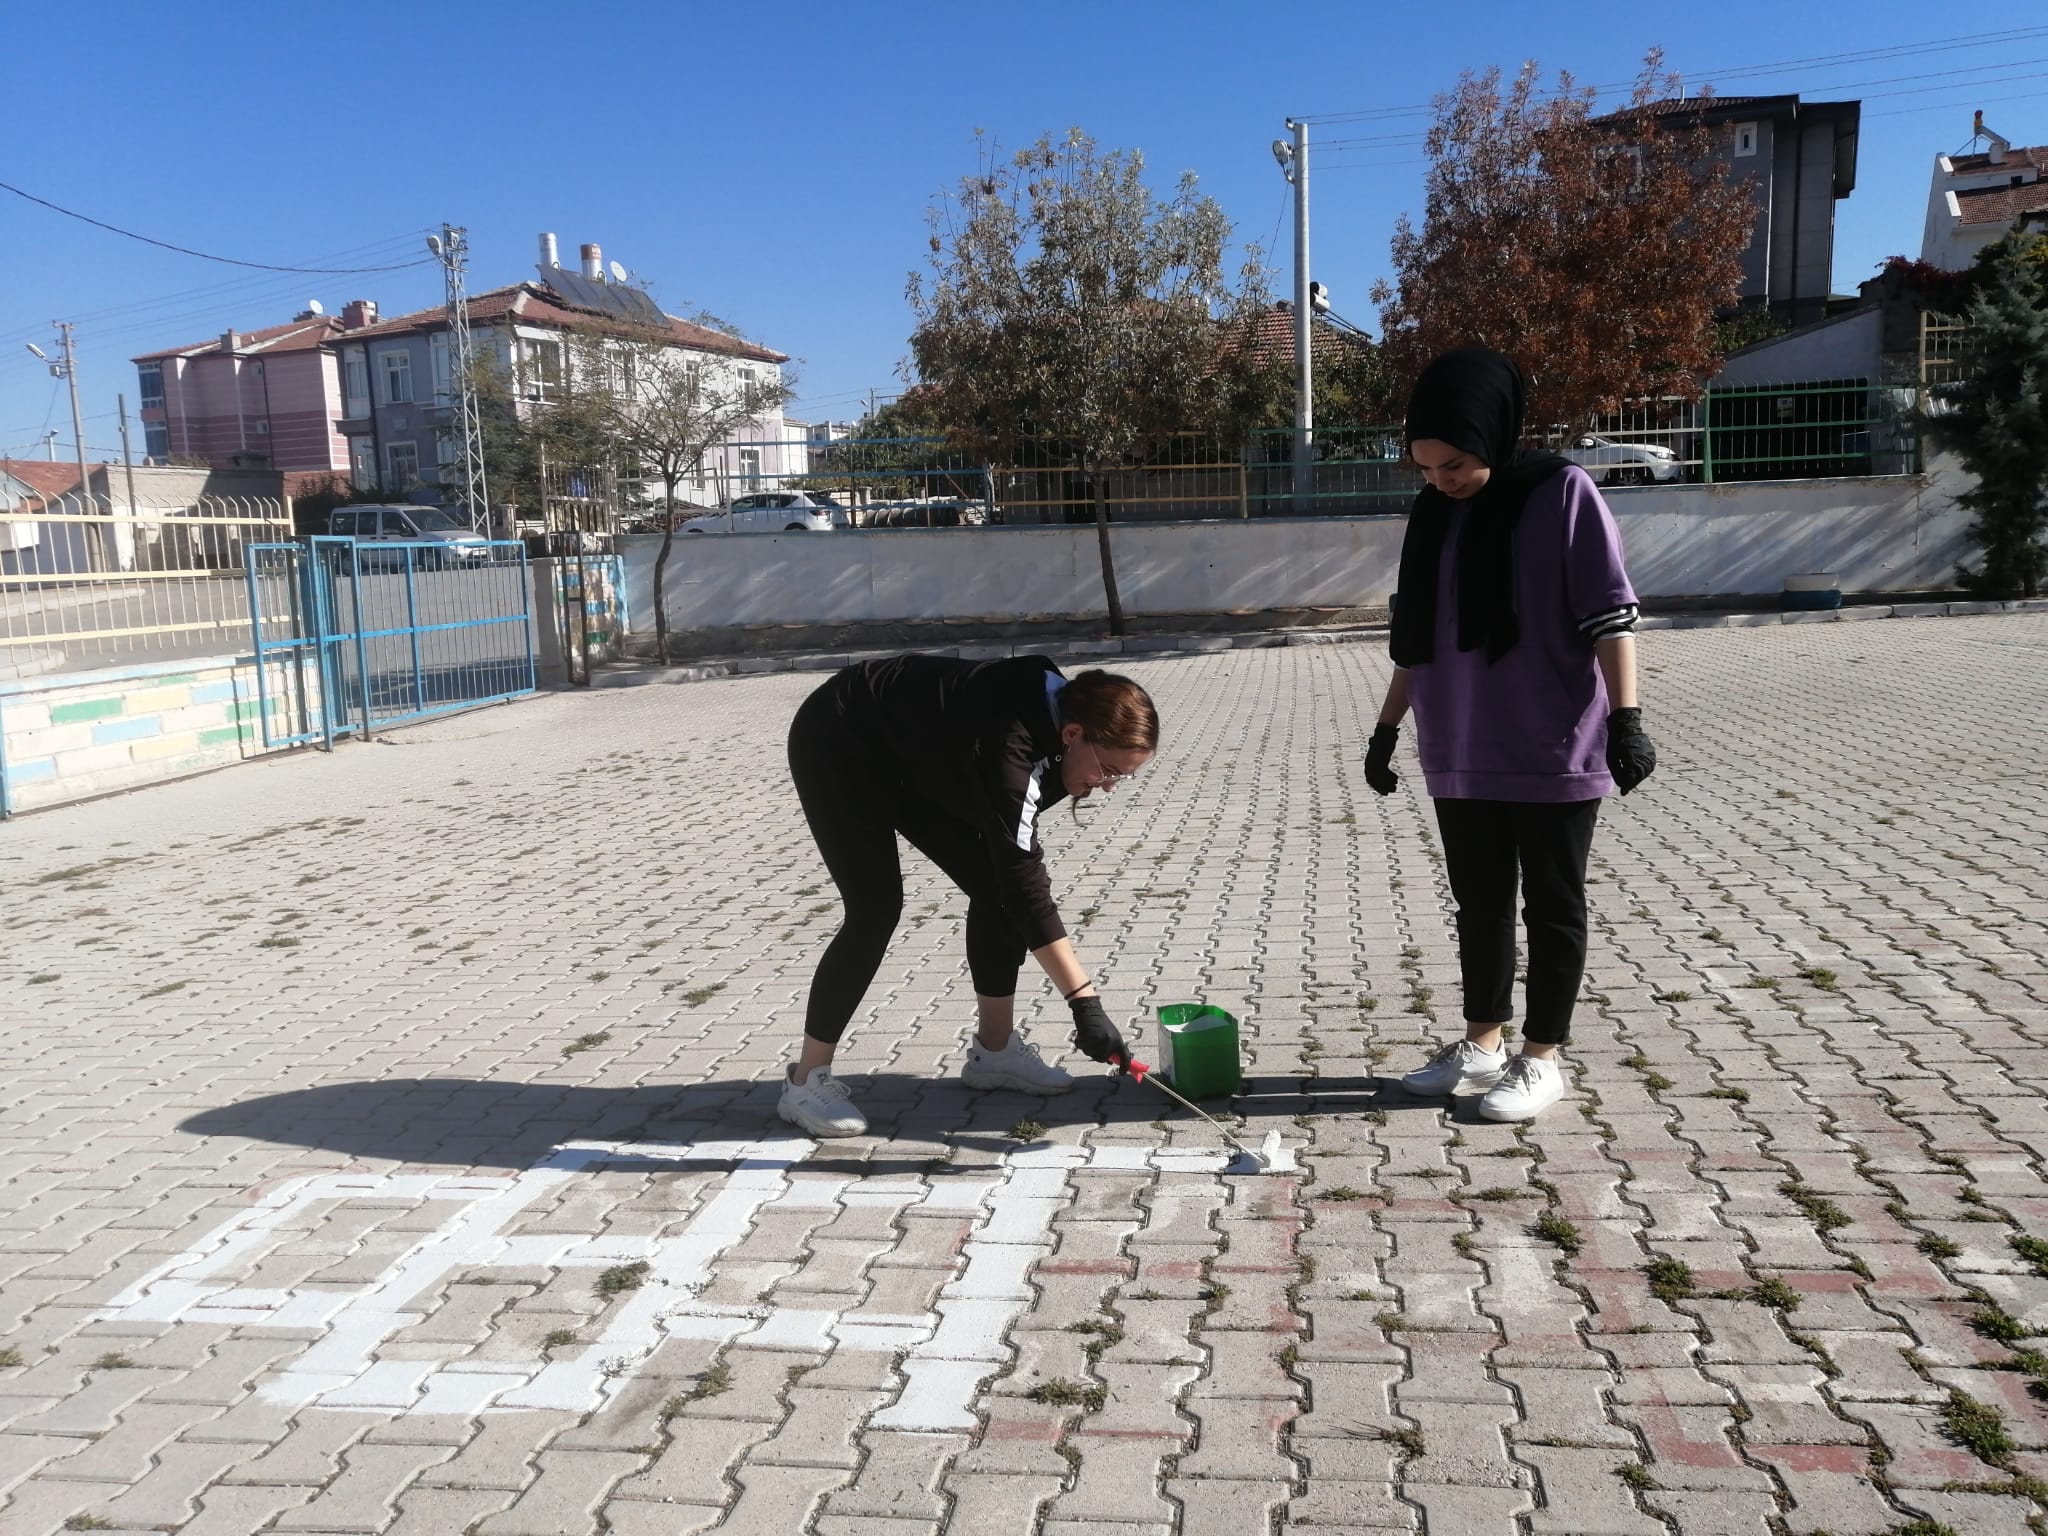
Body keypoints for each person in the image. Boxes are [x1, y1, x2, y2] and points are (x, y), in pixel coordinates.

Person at [1364, 346, 1658, 1122]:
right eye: (1426, 468)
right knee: (1480, 905)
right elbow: (1415, 639)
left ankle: (1543, 1058)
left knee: (1553, 905)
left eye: (1455, 463)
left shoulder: (1562, 493)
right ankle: (1482, 1043)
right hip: (1459, 746)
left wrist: (1626, 720)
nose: (1442, 480)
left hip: (1554, 743)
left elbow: (1610, 615)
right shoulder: (1432, 515)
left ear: (1493, 434)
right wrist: (1386, 730)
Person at [780, 654, 1157, 1137]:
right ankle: (805, 1081)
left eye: (1120, 778)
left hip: (917, 756)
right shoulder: (1008, 745)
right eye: (1108, 770)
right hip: (841, 741)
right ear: (1072, 734)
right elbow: (1027, 885)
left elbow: (1014, 871)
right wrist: (1084, 1003)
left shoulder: (1059, 729)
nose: (1106, 787)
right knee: (875, 909)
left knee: (996, 890)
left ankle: (994, 1054)